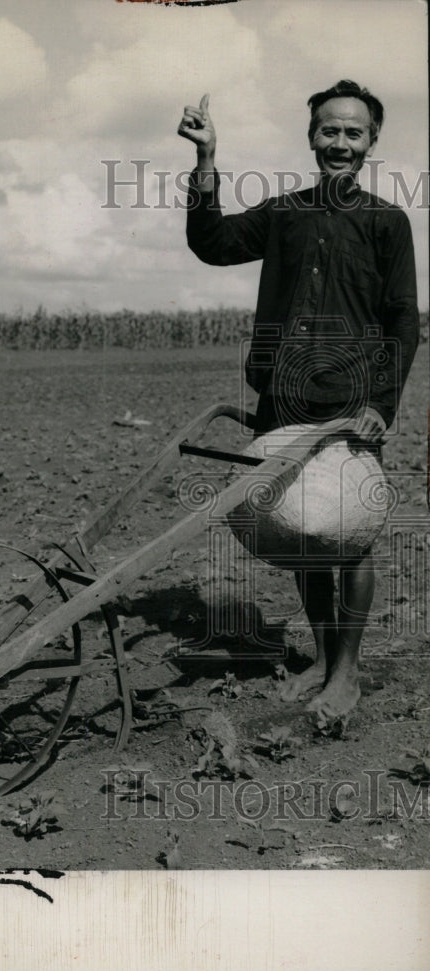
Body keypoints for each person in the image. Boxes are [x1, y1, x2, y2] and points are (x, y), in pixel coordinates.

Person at [179, 80, 419, 721]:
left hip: (351, 401)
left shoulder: (387, 223)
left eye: (353, 132)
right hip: (284, 399)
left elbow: (402, 320)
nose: (339, 143)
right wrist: (206, 162)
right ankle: (319, 656)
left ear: (371, 142)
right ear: (311, 136)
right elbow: (214, 244)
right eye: (328, 130)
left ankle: (346, 673)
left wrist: (382, 404)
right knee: (306, 533)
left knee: (353, 535)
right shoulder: (283, 213)